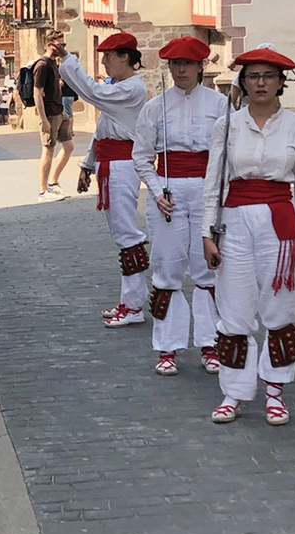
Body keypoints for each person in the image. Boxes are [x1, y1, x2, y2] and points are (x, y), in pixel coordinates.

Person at [202, 49, 295, 426]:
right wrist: (208, 232)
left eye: (269, 76)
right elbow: (214, 181)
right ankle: (233, 392)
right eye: (253, 76)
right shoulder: (228, 124)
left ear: (282, 82)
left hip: (280, 227)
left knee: (279, 309)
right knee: (234, 308)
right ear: (243, 82)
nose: (261, 83)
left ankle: (275, 392)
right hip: (235, 221)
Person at [133, 37, 227, 376]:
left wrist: (217, 196)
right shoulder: (155, 107)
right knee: (167, 269)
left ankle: (210, 343)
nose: (182, 69)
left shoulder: (220, 105)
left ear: (201, 66)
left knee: (207, 270)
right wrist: (157, 192)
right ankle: (167, 346)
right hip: (169, 193)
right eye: (175, 64)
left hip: (206, 190)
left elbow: (227, 156)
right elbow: (142, 157)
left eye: (188, 63)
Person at [65, 34, 150, 327]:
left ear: (125, 57)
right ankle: (129, 300)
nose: (104, 62)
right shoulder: (116, 87)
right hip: (109, 162)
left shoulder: (133, 89)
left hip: (123, 164)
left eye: (109, 56)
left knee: (126, 233)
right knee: (120, 231)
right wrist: (88, 165)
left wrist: (68, 60)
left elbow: (92, 93)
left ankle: (135, 303)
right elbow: (102, 129)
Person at [34, 34, 74, 199]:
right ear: (50, 44)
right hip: (49, 113)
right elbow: (37, 93)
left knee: (69, 146)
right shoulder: (42, 65)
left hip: (59, 110)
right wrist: (43, 119)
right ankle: (43, 191)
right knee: (48, 150)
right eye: (60, 44)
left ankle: (53, 182)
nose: (63, 47)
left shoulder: (54, 63)